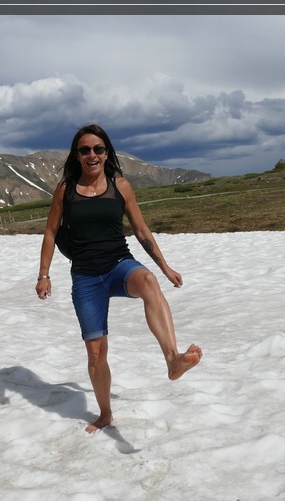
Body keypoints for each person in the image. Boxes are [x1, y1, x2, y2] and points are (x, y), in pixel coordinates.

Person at [36, 123, 202, 433]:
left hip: (119, 265)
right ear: (76, 155)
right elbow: (50, 231)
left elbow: (141, 231)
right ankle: (105, 414)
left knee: (149, 281)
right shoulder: (65, 189)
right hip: (86, 277)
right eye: (84, 150)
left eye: (98, 149)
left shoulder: (120, 186)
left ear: (107, 152)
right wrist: (44, 274)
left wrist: (165, 267)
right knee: (96, 354)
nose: (92, 155)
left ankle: (172, 359)